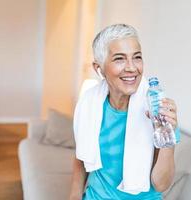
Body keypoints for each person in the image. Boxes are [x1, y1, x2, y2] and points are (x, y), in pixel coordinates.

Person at [69, 24, 179, 200]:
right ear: (99, 69)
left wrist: (168, 136)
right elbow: (81, 156)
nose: (131, 68)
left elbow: (161, 184)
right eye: (119, 59)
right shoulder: (89, 104)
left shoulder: (158, 109)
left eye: (137, 57)